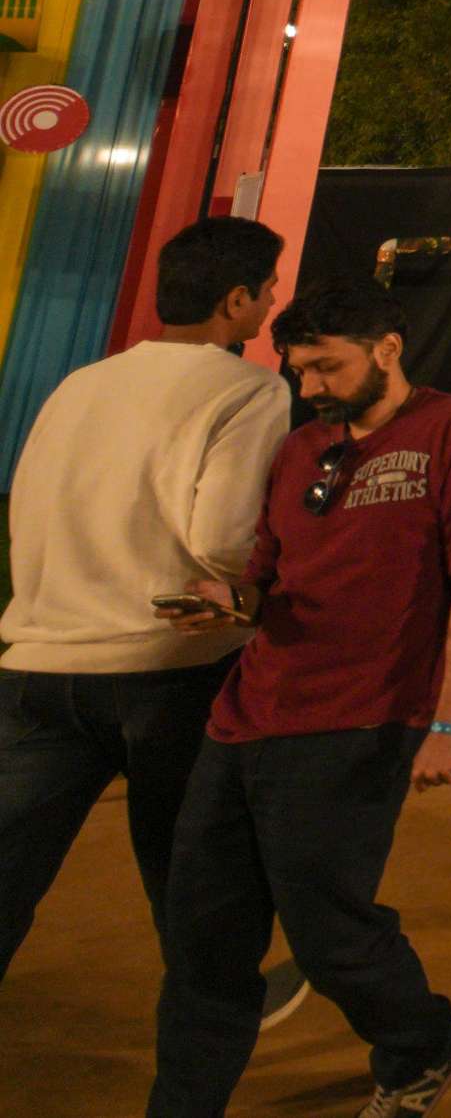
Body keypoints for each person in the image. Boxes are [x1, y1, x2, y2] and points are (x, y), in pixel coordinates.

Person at [149, 278, 451, 1118]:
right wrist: (228, 604)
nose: (309, 386)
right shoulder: (300, 448)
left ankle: (422, 1044)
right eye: (298, 368)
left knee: (330, 933)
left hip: (361, 721)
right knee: (202, 937)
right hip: (245, 716)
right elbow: (268, 580)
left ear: (388, 347)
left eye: (325, 366)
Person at [0, 219, 296, 998]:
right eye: (268, 287)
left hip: (39, 658)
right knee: (190, 862)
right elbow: (223, 542)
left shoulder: (80, 383)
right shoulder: (251, 387)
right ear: (236, 300)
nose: (272, 301)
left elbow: (27, 508)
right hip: (166, 665)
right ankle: (226, 1005)